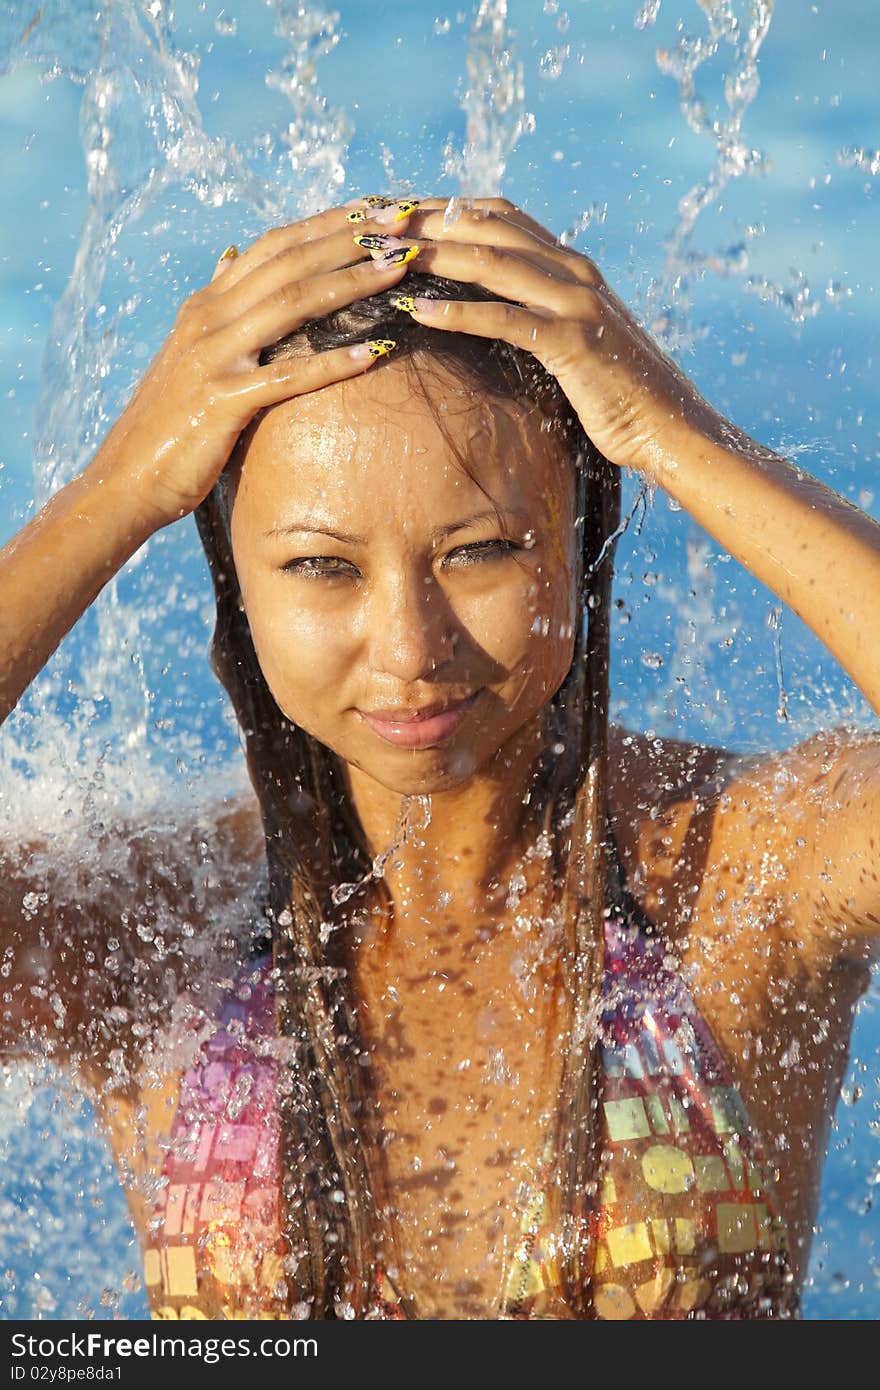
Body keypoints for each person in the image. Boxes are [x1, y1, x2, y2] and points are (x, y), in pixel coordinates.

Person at [1, 195, 878, 1321]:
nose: (412, 650)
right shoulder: (157, 923)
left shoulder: (740, 874)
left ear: (580, 532)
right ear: (233, 575)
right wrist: (116, 490)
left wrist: (671, 432)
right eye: (322, 568)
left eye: (479, 551)